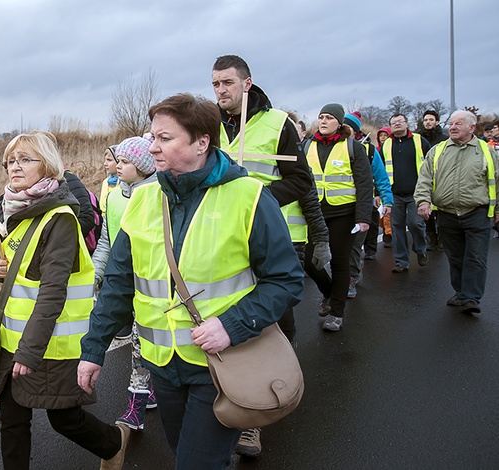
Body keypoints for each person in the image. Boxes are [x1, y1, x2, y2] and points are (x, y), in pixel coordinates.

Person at [78, 93, 305, 470]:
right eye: (152, 137)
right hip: (162, 366)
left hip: (220, 364)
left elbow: (285, 280)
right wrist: (93, 350)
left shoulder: (250, 197)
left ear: (202, 142)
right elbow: (119, 283)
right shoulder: (144, 198)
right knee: (184, 453)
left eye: (165, 138)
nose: (152, 147)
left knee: (196, 464)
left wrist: (231, 326)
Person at [0, 131, 128, 470]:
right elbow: (18, 273)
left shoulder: (60, 218)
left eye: (24, 159)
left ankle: (113, 444)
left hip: (51, 345)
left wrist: (30, 351)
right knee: (13, 420)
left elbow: (53, 290)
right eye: (10, 161)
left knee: (65, 420)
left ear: (47, 165)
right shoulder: (15, 211)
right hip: (13, 339)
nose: (14, 167)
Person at [211, 54, 318, 457]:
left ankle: (272, 390)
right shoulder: (212, 128)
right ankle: (239, 401)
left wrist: (256, 202)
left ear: (247, 83)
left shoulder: (279, 124)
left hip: (277, 238)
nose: (221, 90)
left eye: (227, 83)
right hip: (225, 240)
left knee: (273, 318)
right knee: (236, 315)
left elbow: (301, 181)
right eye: (215, 84)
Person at [91, 136, 158, 432]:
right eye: (117, 160)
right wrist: (95, 274)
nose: (118, 166)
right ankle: (150, 392)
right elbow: (106, 241)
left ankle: (135, 408)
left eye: (126, 161)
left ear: (143, 166)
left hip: (150, 286)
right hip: (123, 283)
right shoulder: (114, 197)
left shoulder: (158, 195)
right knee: (137, 342)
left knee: (139, 343)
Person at [415, 110, 499, 315]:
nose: (452, 127)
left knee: (476, 256)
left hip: (477, 212)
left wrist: (497, 210)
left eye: (458, 124)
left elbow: (497, 182)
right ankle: (461, 292)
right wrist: (423, 201)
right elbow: (425, 178)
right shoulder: (438, 150)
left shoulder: (487, 152)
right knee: (456, 256)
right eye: (451, 123)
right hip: (446, 214)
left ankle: (471, 297)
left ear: (472, 128)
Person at [304, 103, 373, 331]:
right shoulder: (307, 146)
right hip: (314, 213)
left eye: (329, 118)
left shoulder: (353, 148)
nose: (323, 121)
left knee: (339, 262)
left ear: (339, 123)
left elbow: (364, 184)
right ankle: (329, 293)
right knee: (308, 260)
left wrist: (363, 218)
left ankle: (336, 313)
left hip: (343, 213)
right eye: (321, 117)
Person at [344, 114, 393, 298]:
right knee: (340, 247)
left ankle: (352, 277)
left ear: (355, 131)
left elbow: (381, 177)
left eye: (346, 126)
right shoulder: (330, 147)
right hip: (337, 207)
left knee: (355, 244)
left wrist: (386, 200)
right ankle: (345, 275)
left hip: (362, 206)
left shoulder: (369, 151)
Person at [381, 113, 431, 272]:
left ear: (407, 123)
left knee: (416, 223)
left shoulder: (419, 140)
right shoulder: (387, 144)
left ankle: (420, 249)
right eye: (393, 123)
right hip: (394, 193)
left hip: (416, 192)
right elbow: (380, 169)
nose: (396, 124)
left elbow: (431, 163)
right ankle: (401, 261)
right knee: (397, 227)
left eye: (399, 122)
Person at [417, 110, 448, 251]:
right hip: (423, 177)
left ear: (436, 122)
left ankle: (442, 238)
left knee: (440, 210)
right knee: (425, 209)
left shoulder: (444, 139)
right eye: (425, 120)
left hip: (441, 177)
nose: (428, 122)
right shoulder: (418, 138)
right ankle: (431, 237)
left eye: (431, 119)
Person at [377, 126, 394, 249]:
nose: (383, 138)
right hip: (382, 187)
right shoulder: (377, 151)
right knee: (381, 215)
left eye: (385, 135)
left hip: (393, 186)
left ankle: (389, 235)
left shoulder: (392, 148)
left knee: (388, 214)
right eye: (381, 135)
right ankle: (386, 232)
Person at [99, 145, 119, 217]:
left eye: (109, 160)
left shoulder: (126, 184)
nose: (105, 163)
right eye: (105, 160)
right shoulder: (105, 182)